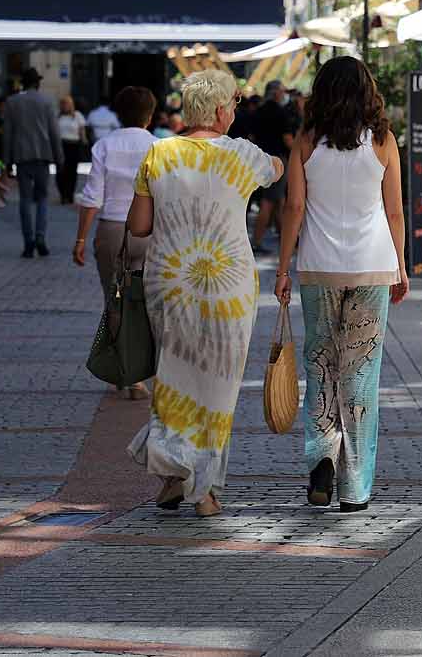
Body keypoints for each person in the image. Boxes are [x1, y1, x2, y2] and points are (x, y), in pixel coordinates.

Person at [127, 69, 283, 518]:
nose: (234, 112)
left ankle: (173, 477)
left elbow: (139, 226)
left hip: (169, 279)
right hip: (228, 284)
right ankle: (204, 490)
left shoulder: (159, 153)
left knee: (173, 377)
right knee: (218, 386)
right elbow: (278, 169)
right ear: (220, 110)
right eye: (232, 105)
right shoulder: (242, 154)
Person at [274, 57, 406, 514]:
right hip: (372, 265)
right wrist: (402, 267)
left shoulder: (306, 142)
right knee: (362, 376)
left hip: (318, 267)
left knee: (321, 365)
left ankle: (321, 457)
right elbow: (394, 213)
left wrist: (283, 268)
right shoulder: (384, 140)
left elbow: (293, 208)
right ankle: (355, 487)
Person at [71, 86, 158, 399]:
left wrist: (81, 237)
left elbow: (91, 196)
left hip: (111, 229)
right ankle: (143, 372)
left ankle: (124, 373)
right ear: (149, 116)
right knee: (147, 302)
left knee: (115, 300)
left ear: (118, 114)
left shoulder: (104, 145)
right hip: (149, 232)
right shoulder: (160, 146)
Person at [3, 67, 64, 259]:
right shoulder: (47, 101)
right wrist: (59, 157)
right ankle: (40, 237)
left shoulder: (12, 102)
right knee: (42, 199)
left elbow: (8, 134)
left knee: (25, 199)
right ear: (38, 83)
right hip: (43, 156)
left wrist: (7, 160)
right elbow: (54, 132)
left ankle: (28, 242)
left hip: (22, 156)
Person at [250, 79, 296, 249]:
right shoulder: (281, 113)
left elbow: (252, 137)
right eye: (283, 91)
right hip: (277, 160)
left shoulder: (259, 111)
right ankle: (257, 241)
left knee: (278, 200)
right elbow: (287, 138)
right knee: (269, 201)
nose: (285, 94)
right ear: (276, 92)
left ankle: (285, 237)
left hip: (259, 159)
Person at [56, 97, 88, 205]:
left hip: (73, 145)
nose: (65, 106)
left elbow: (82, 132)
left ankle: (69, 195)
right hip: (61, 145)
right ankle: (63, 194)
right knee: (60, 171)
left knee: (72, 172)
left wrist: (84, 144)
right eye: (63, 104)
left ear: (71, 105)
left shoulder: (77, 116)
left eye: (67, 104)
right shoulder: (57, 116)